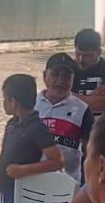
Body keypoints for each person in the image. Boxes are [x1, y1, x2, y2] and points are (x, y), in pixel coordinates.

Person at [0, 73, 68, 203]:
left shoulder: (37, 128)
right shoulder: (12, 125)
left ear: (14, 101)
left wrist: (23, 170)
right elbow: (3, 159)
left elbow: (57, 160)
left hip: (23, 194)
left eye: (5, 98)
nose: (3, 103)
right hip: (6, 191)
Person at [37, 51, 92, 182]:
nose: (60, 81)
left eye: (67, 77)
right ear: (45, 76)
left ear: (73, 80)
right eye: (55, 75)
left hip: (68, 187)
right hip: (31, 183)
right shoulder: (30, 105)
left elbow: (90, 152)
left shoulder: (82, 110)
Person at [71, 28, 105, 114]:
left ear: (99, 52)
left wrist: (68, 96)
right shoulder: (69, 68)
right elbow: (54, 98)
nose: (80, 60)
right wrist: (90, 99)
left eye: (87, 56)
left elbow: (102, 105)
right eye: (78, 54)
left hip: (104, 123)